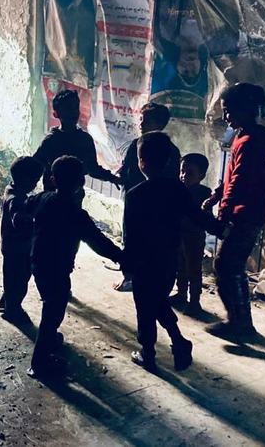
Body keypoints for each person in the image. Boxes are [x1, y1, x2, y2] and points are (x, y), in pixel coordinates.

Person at [123, 133, 218, 373]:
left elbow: (130, 235)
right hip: (168, 260)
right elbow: (198, 216)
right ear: (168, 161)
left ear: (141, 162)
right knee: (157, 302)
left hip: (144, 262)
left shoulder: (135, 194)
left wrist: (127, 265)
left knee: (146, 307)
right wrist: (223, 229)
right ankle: (179, 342)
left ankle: (149, 352)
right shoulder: (177, 189)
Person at [25, 156, 124, 378]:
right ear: (82, 181)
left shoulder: (43, 198)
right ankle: (39, 364)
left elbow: (25, 208)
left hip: (38, 263)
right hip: (57, 268)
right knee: (52, 312)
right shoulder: (76, 214)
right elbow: (98, 241)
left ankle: (50, 340)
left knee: (51, 305)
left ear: (52, 179)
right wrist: (121, 257)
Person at [204, 83, 265, 338]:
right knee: (231, 267)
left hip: (245, 213)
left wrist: (223, 213)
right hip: (250, 211)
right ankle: (241, 321)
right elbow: (233, 176)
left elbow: (238, 182)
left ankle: (239, 323)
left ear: (245, 110)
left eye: (229, 111)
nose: (226, 117)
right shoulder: (247, 138)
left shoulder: (248, 142)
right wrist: (217, 194)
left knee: (225, 266)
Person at [113, 102, 178, 293]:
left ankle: (133, 276)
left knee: (138, 238)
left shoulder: (166, 150)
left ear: (160, 124)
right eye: (141, 120)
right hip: (137, 199)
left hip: (148, 202)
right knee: (133, 237)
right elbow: (126, 168)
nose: (141, 124)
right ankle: (130, 276)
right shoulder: (139, 144)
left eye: (146, 120)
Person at [33, 89, 121, 189]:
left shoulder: (84, 140)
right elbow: (35, 166)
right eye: (68, 108)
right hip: (62, 199)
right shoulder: (51, 141)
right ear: (56, 114)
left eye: (75, 107)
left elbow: (92, 168)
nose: (73, 112)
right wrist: (112, 178)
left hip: (67, 199)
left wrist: (112, 178)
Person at [0, 156, 44, 320]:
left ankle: (7, 301)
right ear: (25, 179)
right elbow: (18, 220)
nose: (36, 184)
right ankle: (13, 310)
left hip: (11, 246)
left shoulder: (11, 190)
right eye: (35, 180)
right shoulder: (16, 200)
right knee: (19, 281)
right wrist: (35, 222)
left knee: (12, 277)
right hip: (18, 248)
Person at [172, 153, 213, 310]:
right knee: (180, 265)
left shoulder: (204, 193)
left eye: (190, 173)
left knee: (193, 268)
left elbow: (204, 216)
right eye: (182, 171)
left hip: (194, 236)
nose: (183, 176)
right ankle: (181, 293)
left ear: (201, 176)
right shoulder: (177, 188)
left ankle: (195, 300)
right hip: (178, 234)